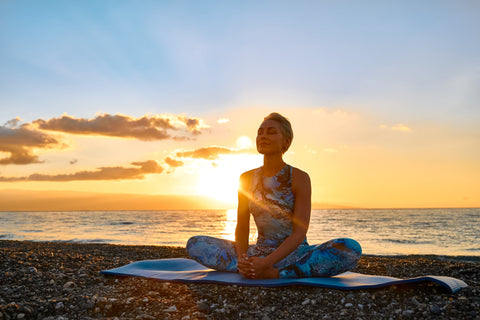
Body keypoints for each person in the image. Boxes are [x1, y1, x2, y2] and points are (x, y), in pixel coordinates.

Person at [187, 113, 361, 279]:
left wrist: (266, 263)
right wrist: (243, 259)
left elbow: (299, 233)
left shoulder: (299, 178)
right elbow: (242, 227)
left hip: (294, 254)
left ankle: (275, 273)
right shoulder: (246, 178)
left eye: (271, 132)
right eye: (260, 132)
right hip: (259, 251)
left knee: (350, 248)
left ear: (286, 142)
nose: (263, 136)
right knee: (195, 244)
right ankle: (253, 268)